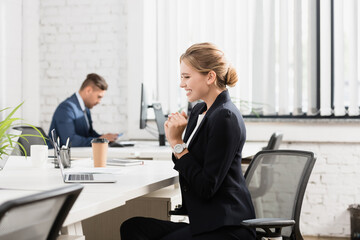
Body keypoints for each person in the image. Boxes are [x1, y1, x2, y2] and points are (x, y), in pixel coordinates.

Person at [120, 43, 256, 239]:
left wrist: (177, 142)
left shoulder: (225, 117)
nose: (182, 84)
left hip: (227, 227)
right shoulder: (199, 112)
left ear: (210, 76)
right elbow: (184, 161)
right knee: (132, 227)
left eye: (186, 77)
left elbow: (205, 187)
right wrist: (176, 141)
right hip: (206, 222)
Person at [48, 73, 118, 148]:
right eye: (99, 97)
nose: (99, 101)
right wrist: (98, 140)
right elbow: (70, 141)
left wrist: (104, 138)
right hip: (59, 158)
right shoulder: (66, 108)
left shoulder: (85, 108)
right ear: (88, 90)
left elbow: (88, 134)